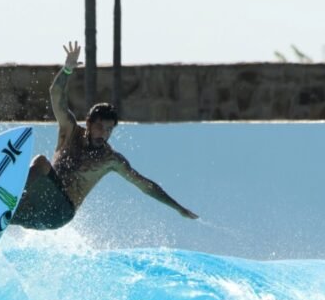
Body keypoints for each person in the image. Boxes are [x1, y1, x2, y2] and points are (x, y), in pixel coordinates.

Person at [10, 41, 198, 230]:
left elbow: (145, 185)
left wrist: (178, 208)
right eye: (100, 127)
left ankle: (10, 197)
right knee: (14, 202)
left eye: (109, 130)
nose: (104, 134)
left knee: (41, 162)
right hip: (40, 202)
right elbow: (56, 93)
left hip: (60, 213)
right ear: (89, 123)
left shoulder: (110, 159)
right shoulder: (70, 131)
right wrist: (67, 69)